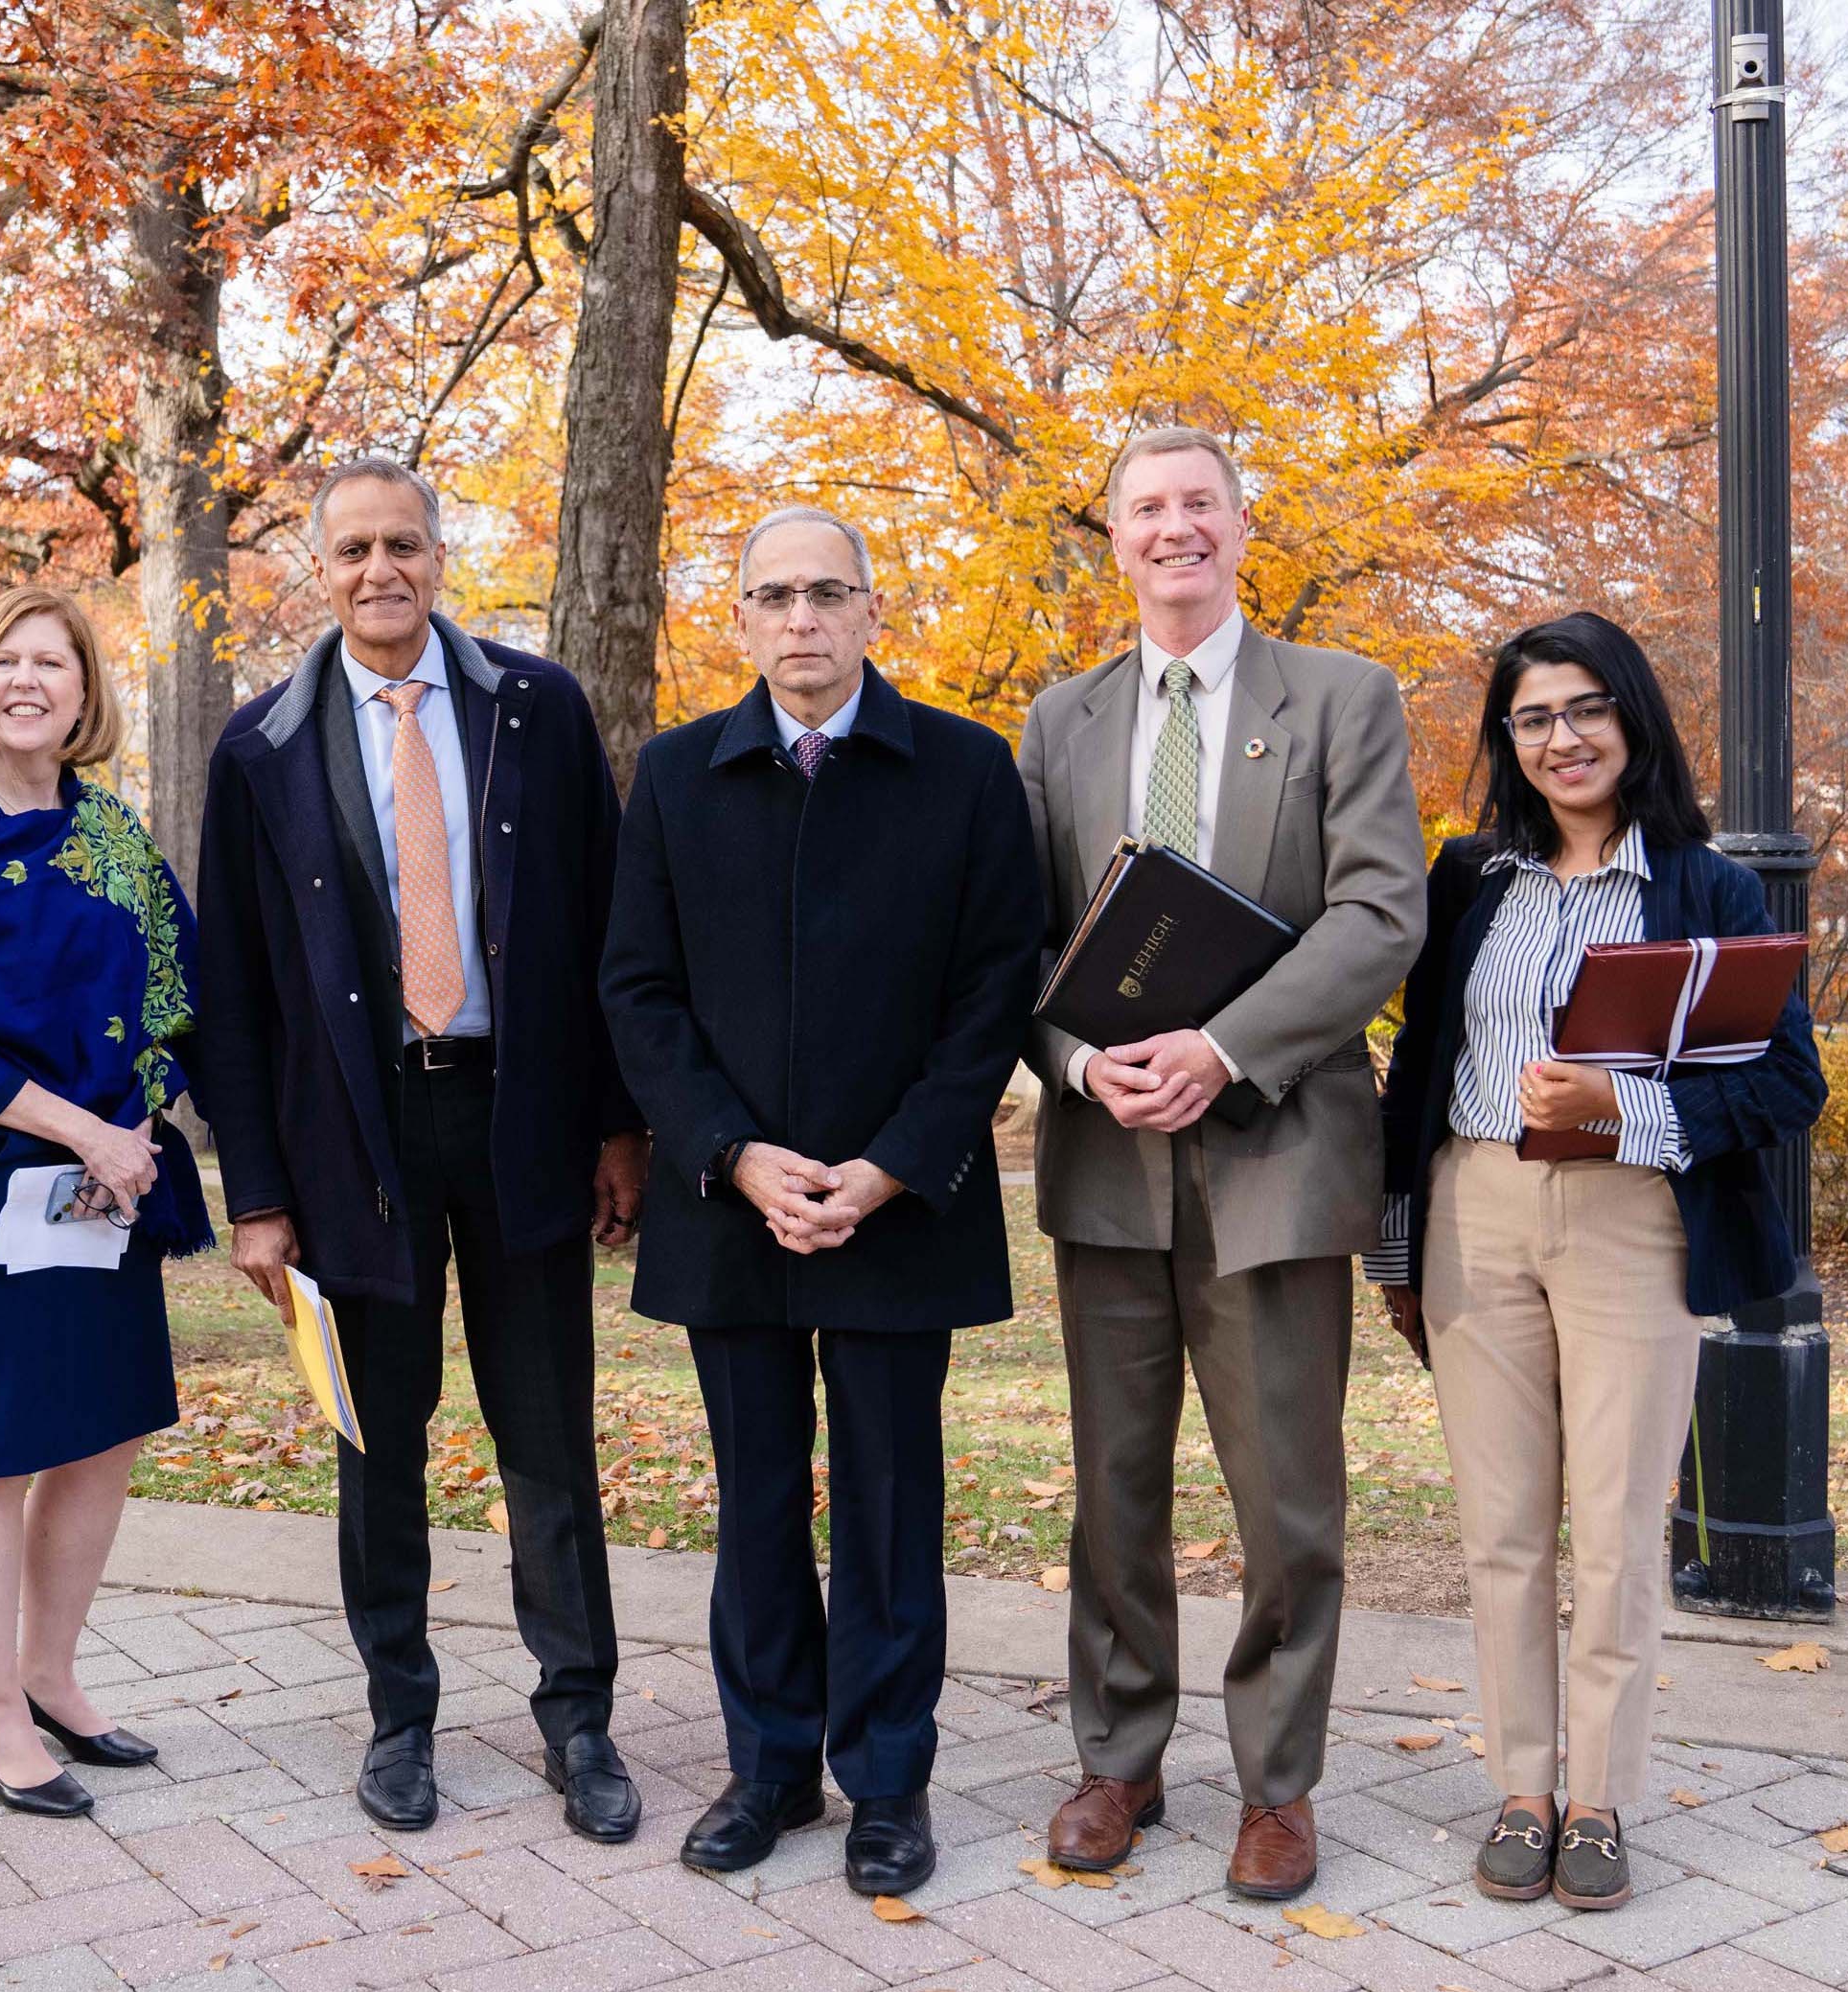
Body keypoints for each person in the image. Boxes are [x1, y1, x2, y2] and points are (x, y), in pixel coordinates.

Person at [195, 457, 649, 1841]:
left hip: (521, 1117)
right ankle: (401, 1715)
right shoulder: (261, 744)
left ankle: (579, 1716)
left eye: (403, 543)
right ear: (317, 570)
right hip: (356, 1134)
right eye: (351, 550)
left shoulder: (539, 707)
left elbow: (606, 925)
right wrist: (259, 1194)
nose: (379, 570)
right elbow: (237, 984)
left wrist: (619, 1122)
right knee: (378, 1443)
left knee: (546, 1436)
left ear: (440, 554)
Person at [601, 506, 1041, 1897]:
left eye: (826, 593)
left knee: (892, 1504)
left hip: (897, 1203)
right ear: (737, 618)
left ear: (871, 610)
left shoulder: (967, 770)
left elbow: (995, 989)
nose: (800, 618)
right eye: (772, 594)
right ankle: (771, 1761)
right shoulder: (675, 776)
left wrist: (894, 1162)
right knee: (756, 1499)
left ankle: (889, 1782)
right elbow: (638, 991)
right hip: (733, 1202)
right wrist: (732, 1153)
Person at [1017, 428, 1425, 1902]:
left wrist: (1225, 1047)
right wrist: (1077, 1060)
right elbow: (1019, 943)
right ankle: (1119, 1759)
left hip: (1277, 1150)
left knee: (1287, 1499)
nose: (1175, 527)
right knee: (1113, 1488)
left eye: (1200, 503)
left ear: (1242, 527)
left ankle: (1278, 1785)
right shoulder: (1058, 722)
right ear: (1114, 540)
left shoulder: (1343, 698)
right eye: (1147, 508)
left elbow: (1379, 915)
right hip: (1107, 1155)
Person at [1372, 613, 1823, 1910]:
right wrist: (1399, 1255)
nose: (1561, 738)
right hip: (1474, 1210)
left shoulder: (1706, 885)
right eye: (1532, 717)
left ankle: (1603, 1801)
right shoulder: (1471, 879)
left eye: (1584, 709)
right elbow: (1418, 1071)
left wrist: (1622, 1110)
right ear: (1507, 741)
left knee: (1617, 1529)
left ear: (1632, 720)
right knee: (1503, 1529)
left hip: (1635, 1217)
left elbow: (1791, 1078)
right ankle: (1521, 1787)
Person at [0, 584, 212, 1818]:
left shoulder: (115, 835)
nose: (30, 681)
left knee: (101, 1430)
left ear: (84, 693)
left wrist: (138, 1121)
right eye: (8, 660)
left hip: (104, 1176)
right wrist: (91, 1133)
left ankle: (53, 1673)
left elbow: (180, 994)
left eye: (54, 665)